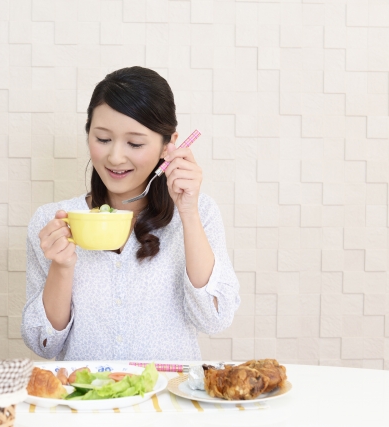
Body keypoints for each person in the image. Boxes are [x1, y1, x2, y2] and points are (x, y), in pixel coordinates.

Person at [21, 66, 241, 361]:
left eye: (135, 143)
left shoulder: (199, 214)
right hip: (88, 401)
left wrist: (188, 212)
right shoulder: (56, 220)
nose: (115, 157)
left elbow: (215, 319)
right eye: (102, 139)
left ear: (168, 145)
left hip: (169, 401)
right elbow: (44, 345)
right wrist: (61, 267)